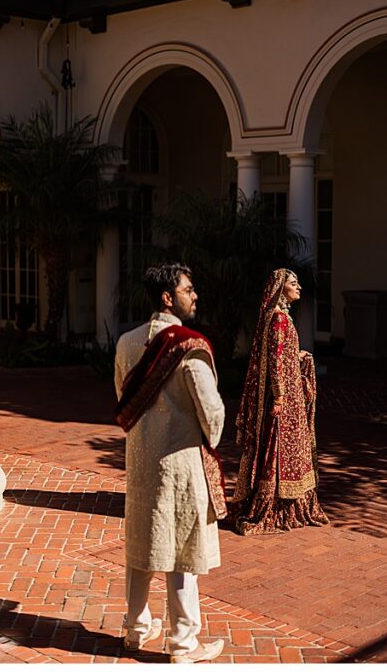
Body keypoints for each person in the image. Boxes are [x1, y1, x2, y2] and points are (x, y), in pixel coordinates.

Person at [114, 263, 226, 663]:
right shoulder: (189, 346)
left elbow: (121, 399)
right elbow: (211, 412)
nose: (194, 296)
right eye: (188, 289)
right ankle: (183, 644)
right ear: (167, 297)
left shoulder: (127, 342)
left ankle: (135, 627)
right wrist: (210, 440)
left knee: (142, 546)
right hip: (179, 462)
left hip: (141, 460)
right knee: (180, 551)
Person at [229, 269, 329, 535]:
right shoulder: (278, 320)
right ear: (280, 290)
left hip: (291, 397)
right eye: (293, 283)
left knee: (290, 447)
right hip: (285, 400)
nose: (299, 287)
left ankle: (290, 505)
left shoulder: (282, 318)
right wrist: (280, 396)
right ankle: (275, 507)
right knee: (278, 448)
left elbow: (282, 355)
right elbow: (273, 361)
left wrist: (298, 356)